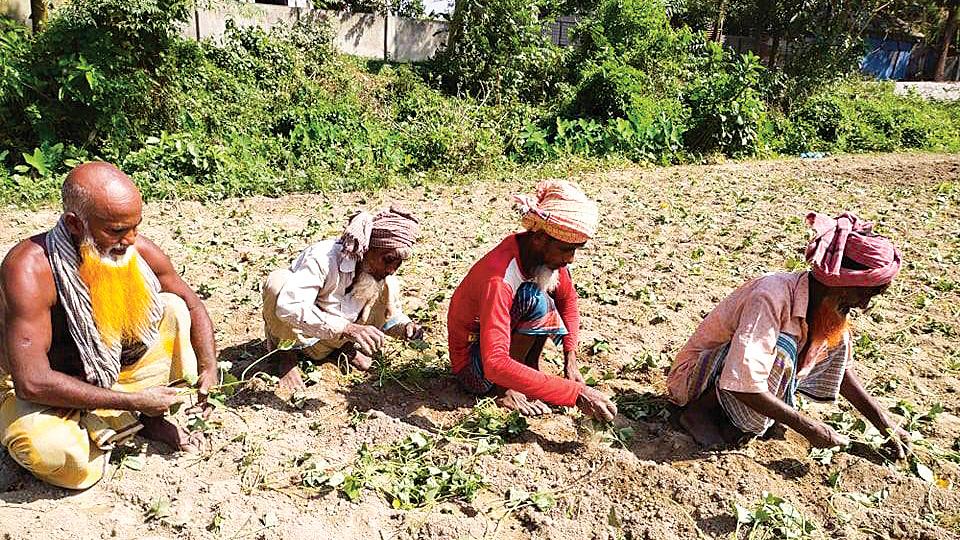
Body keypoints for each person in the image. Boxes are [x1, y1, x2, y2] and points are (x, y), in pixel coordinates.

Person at [0, 162, 218, 489]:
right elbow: (31, 381)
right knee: (45, 449)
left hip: (109, 370)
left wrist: (209, 366)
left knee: (172, 309)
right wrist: (133, 401)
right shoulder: (29, 269)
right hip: (40, 390)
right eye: (116, 231)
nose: (129, 240)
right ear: (75, 224)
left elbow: (191, 302)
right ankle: (116, 420)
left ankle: (145, 420)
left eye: (135, 228)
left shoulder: (135, 249)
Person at [667, 212, 911, 459]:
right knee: (782, 348)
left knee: (836, 337)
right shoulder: (771, 296)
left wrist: (885, 425)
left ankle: (740, 416)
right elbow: (743, 377)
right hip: (694, 379)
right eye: (863, 294)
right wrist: (808, 427)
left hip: (737, 379)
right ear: (838, 284)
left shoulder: (828, 304)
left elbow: (841, 371)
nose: (863, 304)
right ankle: (700, 413)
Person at [447, 180, 617, 421]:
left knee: (543, 297)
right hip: (476, 369)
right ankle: (505, 390)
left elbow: (568, 301)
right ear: (539, 239)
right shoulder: (499, 277)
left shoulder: (544, 259)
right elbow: (494, 363)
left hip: (495, 355)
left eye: (576, 250)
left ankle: (525, 375)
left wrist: (571, 360)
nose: (570, 259)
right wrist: (577, 394)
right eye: (566, 249)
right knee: (535, 299)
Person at [262, 206, 424, 396]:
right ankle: (284, 358)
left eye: (398, 263)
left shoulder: (379, 274)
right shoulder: (323, 258)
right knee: (278, 284)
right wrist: (348, 329)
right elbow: (290, 307)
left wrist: (405, 328)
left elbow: (387, 316)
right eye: (387, 260)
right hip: (297, 338)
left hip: (336, 339)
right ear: (366, 248)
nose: (392, 269)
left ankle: (339, 349)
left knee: (389, 284)